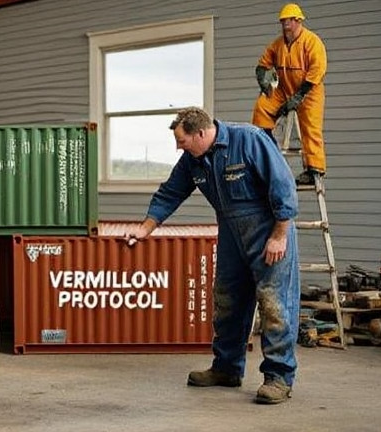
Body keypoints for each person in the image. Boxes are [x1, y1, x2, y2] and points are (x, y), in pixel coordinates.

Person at [126, 107, 300, 405]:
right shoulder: (193, 159)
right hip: (231, 233)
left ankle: (279, 377)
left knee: (274, 303)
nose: (178, 147)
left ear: (201, 133)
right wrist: (145, 229)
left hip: (268, 230)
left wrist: (279, 236)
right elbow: (170, 192)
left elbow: (283, 186)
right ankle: (227, 368)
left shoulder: (250, 140)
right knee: (227, 300)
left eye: (182, 141)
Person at [251, 3, 327, 186]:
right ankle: (264, 144)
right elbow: (263, 64)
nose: (286, 24)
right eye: (283, 21)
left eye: (290, 20)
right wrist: (263, 80)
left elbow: (317, 70)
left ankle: (314, 170)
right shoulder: (278, 44)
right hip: (284, 89)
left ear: (298, 21)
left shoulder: (312, 42)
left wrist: (299, 97)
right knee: (263, 105)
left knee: (311, 128)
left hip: (309, 92)